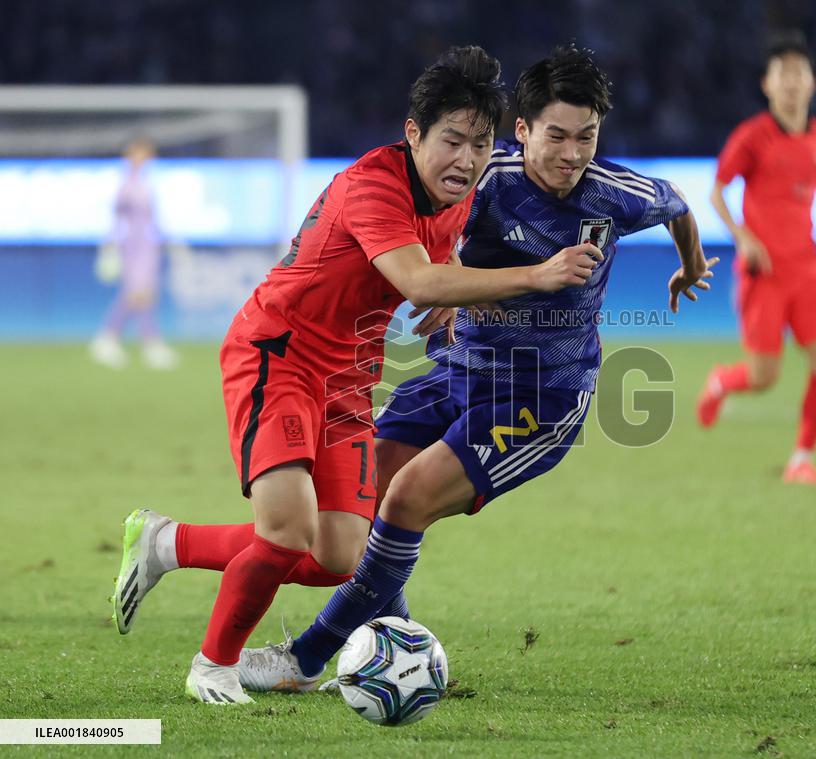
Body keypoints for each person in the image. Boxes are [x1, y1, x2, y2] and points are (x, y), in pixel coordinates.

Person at [110, 46, 603, 705]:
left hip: (346, 378)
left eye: (480, 144)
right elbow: (416, 277)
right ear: (413, 134)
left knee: (341, 552)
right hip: (277, 353)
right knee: (286, 529)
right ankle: (213, 665)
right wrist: (534, 276)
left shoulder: (455, 194)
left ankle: (166, 543)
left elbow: (435, 269)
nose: (466, 159)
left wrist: (450, 305)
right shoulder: (373, 184)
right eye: (451, 140)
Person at [230, 44, 715, 693]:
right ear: (523, 130)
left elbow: (676, 201)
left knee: (405, 499)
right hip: (460, 370)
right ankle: (399, 643)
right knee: (367, 493)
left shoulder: (615, 193)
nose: (572, 154)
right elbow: (438, 229)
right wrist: (453, 288)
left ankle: (309, 655)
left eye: (587, 137)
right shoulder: (486, 175)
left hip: (541, 398)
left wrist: (691, 264)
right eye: (556, 136)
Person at [696, 32, 816, 484]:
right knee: (763, 377)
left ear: (813, 83)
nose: (792, 82)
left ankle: (801, 459)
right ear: (767, 84)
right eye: (784, 74)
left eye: (800, 73)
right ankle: (721, 381)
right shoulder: (752, 137)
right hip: (764, 270)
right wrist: (743, 237)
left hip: (807, 267)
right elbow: (717, 193)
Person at [90, 138, 179, 370]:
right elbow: (117, 216)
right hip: (132, 244)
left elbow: (153, 218)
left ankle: (113, 339)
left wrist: (166, 239)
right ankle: (142, 342)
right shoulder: (127, 184)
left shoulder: (145, 182)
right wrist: (110, 244)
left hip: (147, 244)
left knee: (142, 294)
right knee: (137, 293)